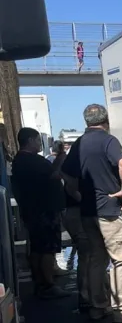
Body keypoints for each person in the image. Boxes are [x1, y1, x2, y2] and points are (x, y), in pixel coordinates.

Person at [62, 104, 122, 323]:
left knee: (96, 259)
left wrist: (78, 194)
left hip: (88, 211)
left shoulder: (79, 144)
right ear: (106, 120)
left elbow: (67, 174)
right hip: (109, 211)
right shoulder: (108, 141)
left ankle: (98, 307)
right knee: (121, 260)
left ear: (86, 121)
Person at [10, 128, 68, 299]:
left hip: (34, 211)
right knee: (47, 249)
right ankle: (48, 285)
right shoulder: (31, 161)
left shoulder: (22, 161)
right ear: (30, 141)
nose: (39, 144)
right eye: (37, 140)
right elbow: (53, 175)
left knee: (37, 248)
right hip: (44, 212)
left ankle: (40, 283)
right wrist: (61, 161)